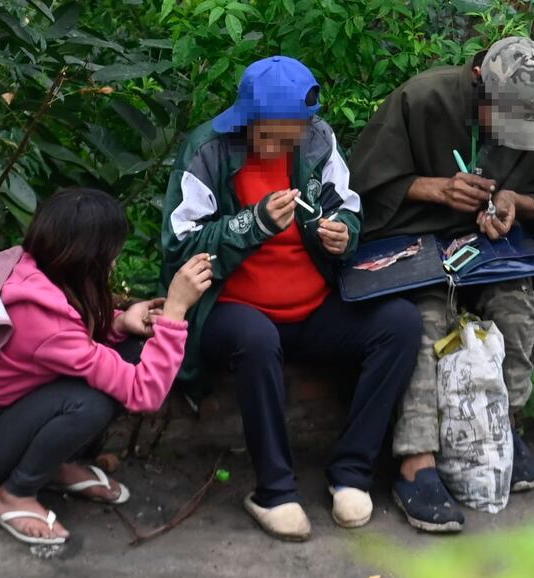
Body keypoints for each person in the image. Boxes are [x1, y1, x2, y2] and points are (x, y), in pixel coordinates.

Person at [161, 56, 422, 542]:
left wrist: (343, 233)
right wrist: (253, 223)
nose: (284, 145)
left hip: (312, 307)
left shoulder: (318, 140)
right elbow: (180, 245)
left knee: (400, 323)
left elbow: (348, 206)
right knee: (257, 339)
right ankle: (275, 491)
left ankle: (352, 472)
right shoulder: (207, 152)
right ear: (247, 121)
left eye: (293, 134)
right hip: (232, 311)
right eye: (273, 135)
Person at [350, 37, 534, 532]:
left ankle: (504, 428)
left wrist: (514, 203)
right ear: (479, 81)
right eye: (501, 120)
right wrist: (434, 188)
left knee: (517, 305)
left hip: (493, 251)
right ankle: (416, 462)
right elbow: (362, 187)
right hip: (418, 240)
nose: (508, 134)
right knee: (425, 317)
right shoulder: (423, 98)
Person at [0, 188, 212, 546]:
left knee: (131, 348)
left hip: (11, 411)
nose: (113, 263)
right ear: (88, 257)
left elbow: (68, 340)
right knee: (93, 402)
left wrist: (117, 323)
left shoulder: (29, 270)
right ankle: (14, 494)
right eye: (111, 255)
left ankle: (52, 466)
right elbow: (143, 394)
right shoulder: (43, 320)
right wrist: (175, 312)